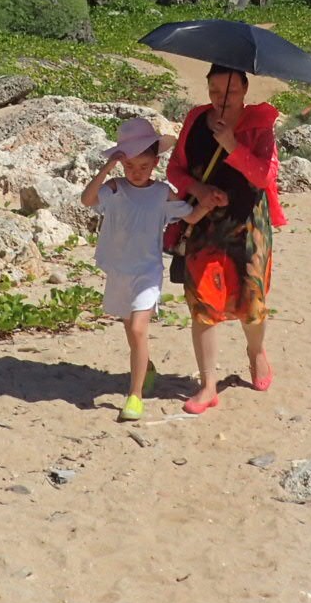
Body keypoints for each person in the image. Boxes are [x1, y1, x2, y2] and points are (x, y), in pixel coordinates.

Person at [166, 65, 286, 415]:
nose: (221, 99)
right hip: (204, 223)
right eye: (215, 91)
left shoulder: (258, 126)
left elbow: (264, 176)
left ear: (245, 90)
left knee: (252, 305)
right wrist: (199, 189)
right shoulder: (195, 120)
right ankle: (207, 386)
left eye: (230, 92)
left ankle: (255, 351)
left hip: (248, 224)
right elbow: (176, 169)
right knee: (202, 304)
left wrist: (232, 145)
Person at [80, 116, 206, 421]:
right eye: (131, 166)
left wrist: (209, 203)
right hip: (119, 269)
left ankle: (134, 396)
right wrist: (108, 168)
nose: (137, 172)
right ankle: (146, 365)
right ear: (121, 164)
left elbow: (189, 217)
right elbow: (87, 200)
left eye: (144, 165)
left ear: (155, 162)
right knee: (129, 327)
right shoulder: (114, 188)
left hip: (148, 270)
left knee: (138, 328)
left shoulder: (162, 192)